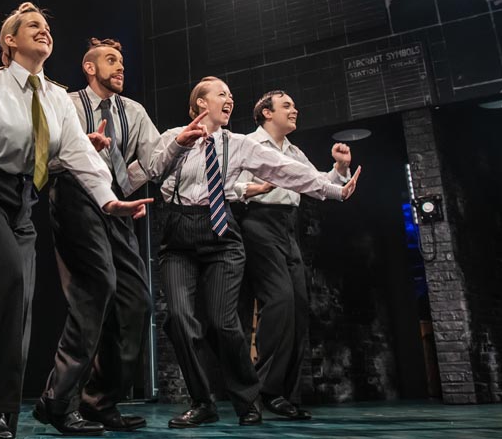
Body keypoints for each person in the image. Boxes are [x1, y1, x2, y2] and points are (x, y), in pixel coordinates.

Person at [0, 6, 152, 439]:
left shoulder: (55, 96)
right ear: (10, 41)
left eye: (48, 28)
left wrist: (108, 201)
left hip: (21, 201)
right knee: (8, 282)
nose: (44, 32)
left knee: (19, 303)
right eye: (33, 26)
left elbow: (79, 154)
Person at [148, 77, 360, 428]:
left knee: (224, 322)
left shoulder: (239, 144)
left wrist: (334, 190)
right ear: (201, 104)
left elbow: (287, 171)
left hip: (222, 236)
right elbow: (153, 172)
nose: (229, 99)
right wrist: (178, 146)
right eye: (221, 94)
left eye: (231, 95)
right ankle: (202, 402)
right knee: (180, 320)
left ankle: (248, 399)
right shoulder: (173, 135)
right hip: (179, 234)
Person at [35, 38, 160, 434]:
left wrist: (180, 142)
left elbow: (152, 161)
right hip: (75, 196)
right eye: (111, 60)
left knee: (136, 301)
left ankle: (100, 403)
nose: (120, 67)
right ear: (90, 68)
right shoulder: (67, 104)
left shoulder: (133, 111)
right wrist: (80, 150)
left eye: (122, 61)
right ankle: (56, 400)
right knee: (95, 288)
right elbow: (43, 159)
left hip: (118, 203)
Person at [233, 90, 352, 421]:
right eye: (287, 106)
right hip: (257, 221)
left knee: (298, 307)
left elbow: (318, 184)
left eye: (295, 105)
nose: (295, 110)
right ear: (266, 113)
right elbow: (231, 187)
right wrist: (250, 191)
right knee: (280, 301)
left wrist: (339, 168)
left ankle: (281, 393)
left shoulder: (294, 151)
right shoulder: (247, 144)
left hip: (287, 226)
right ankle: (262, 390)